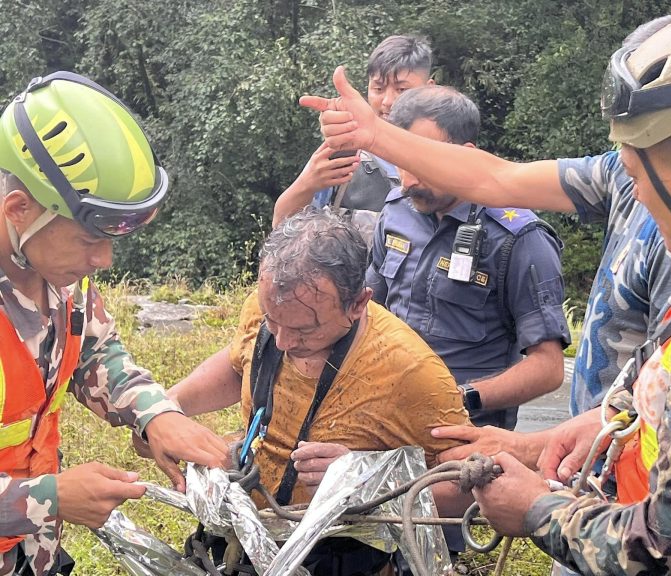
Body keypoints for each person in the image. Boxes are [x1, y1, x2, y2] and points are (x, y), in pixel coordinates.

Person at [302, 6, 671, 572]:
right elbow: (495, 177)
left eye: (641, 176)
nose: (634, 196)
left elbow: (667, 554)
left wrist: (536, 509)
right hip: (608, 483)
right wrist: (375, 134)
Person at [0, 72, 229, 576]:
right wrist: (49, 499)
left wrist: (157, 415)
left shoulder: (57, 273)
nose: (103, 260)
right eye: (88, 240)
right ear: (19, 210)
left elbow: (96, 355)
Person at [165, 208, 473, 575]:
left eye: (305, 331)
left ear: (357, 304)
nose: (281, 342)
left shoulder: (413, 371)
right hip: (241, 535)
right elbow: (239, 365)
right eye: (271, 322)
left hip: (336, 555)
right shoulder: (276, 305)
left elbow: (466, 486)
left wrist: (365, 483)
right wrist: (171, 406)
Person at [368, 84, 569, 430]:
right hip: (385, 418)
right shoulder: (395, 213)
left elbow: (548, 368)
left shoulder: (517, 238)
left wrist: (460, 398)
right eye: (403, 162)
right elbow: (368, 311)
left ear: (466, 154)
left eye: (424, 161)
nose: (409, 180)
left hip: (465, 435)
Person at [272, 34, 434, 242]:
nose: (387, 101)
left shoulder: (446, 158)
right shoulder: (347, 153)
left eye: (402, 89)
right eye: (378, 88)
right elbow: (282, 227)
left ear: (429, 88)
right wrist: (308, 183)